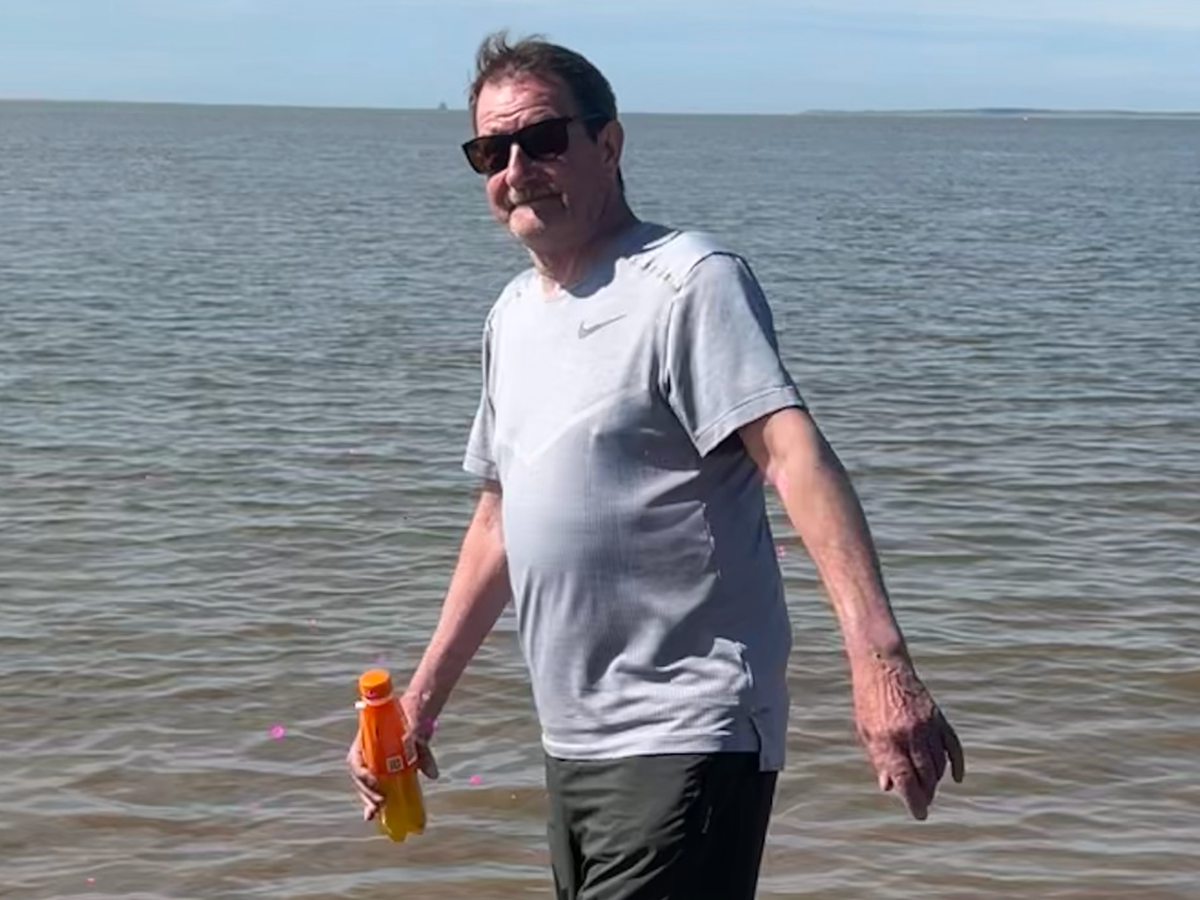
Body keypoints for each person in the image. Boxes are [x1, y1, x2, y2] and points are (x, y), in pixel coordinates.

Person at [349, 30, 965, 900]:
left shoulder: (688, 281)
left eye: (542, 139)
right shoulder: (512, 316)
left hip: (690, 729)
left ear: (608, 144)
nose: (517, 169)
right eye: (491, 151)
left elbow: (793, 455)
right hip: (574, 743)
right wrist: (418, 704)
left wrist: (880, 661)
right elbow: (498, 522)